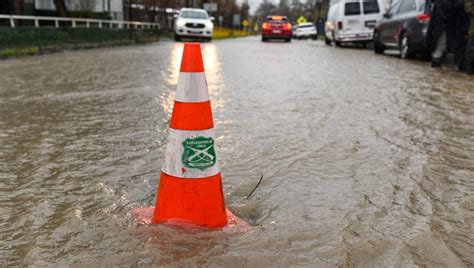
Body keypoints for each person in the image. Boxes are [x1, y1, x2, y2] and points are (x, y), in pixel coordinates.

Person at [427, 0, 467, 68]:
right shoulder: (454, 3)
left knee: (439, 49)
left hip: (439, 28)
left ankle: (436, 68)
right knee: (453, 49)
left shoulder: (438, 2)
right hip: (448, 28)